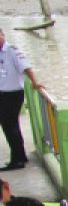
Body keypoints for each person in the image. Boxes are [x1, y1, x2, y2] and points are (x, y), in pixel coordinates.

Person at [0, 27, 44, 172]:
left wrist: (35, 82)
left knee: (10, 125)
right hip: (3, 94)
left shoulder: (12, 51)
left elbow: (27, 68)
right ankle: (20, 156)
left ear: (3, 35)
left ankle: (17, 160)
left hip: (13, 94)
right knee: (9, 126)